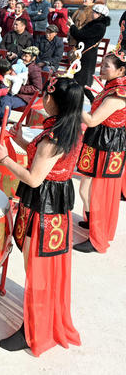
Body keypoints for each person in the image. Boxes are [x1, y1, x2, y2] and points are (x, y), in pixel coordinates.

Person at [0, 77, 83, 356]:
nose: (43, 98)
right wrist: (20, 141)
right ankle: (40, 321)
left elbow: (33, 178)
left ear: (56, 101)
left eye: (46, 94)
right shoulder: (68, 128)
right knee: (43, 270)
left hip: (44, 206)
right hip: (55, 205)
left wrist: (4, 160)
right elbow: (43, 162)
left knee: (37, 270)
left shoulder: (53, 139)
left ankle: (33, 332)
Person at [75, 53, 126, 253]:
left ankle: (98, 237)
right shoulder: (111, 87)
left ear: (121, 70)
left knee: (98, 192)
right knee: (85, 187)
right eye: (102, 64)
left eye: (106, 66)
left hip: (108, 145)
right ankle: (92, 220)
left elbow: (92, 120)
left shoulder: (118, 95)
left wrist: (74, 103)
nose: (101, 68)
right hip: (98, 140)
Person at [69, 4, 110, 101]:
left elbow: (80, 35)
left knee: (82, 83)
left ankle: (93, 102)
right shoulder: (93, 24)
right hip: (83, 54)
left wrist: (72, 25)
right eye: (93, 11)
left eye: (95, 12)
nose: (92, 13)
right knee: (79, 81)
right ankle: (83, 101)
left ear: (100, 15)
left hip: (88, 56)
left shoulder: (99, 26)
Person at [0, 46, 42, 121]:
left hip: (23, 97)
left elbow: (37, 88)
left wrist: (19, 89)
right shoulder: (17, 62)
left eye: (26, 56)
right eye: (23, 55)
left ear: (33, 58)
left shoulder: (34, 69)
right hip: (10, 90)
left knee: (6, 99)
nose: (23, 57)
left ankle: (3, 122)